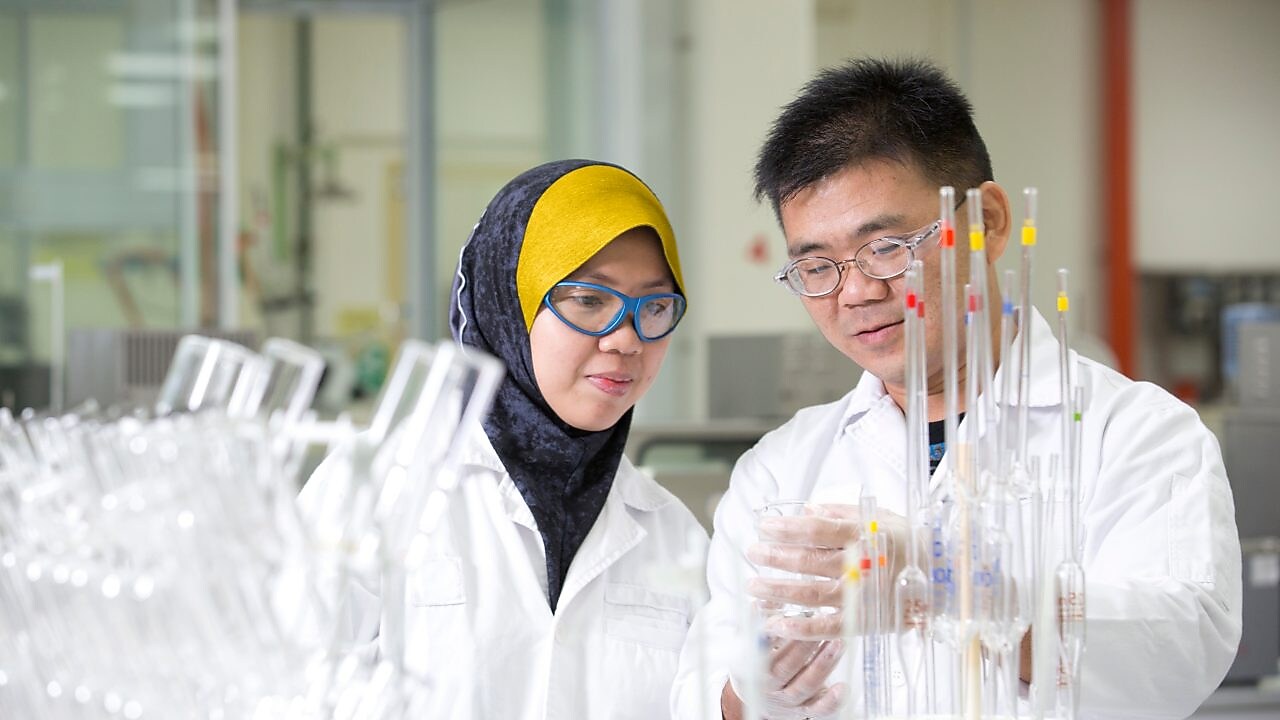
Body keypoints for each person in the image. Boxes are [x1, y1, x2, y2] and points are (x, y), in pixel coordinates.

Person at [671, 58, 1241, 720]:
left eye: (885, 246)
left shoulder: (1137, 435)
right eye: (816, 266)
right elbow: (704, 691)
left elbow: (1178, 651)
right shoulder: (780, 471)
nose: (855, 291)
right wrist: (750, 693)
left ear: (991, 222)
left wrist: (950, 585)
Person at [302, 159, 708, 718]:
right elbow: (277, 692)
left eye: (655, 306)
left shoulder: (671, 533)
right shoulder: (372, 492)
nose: (626, 339)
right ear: (507, 302)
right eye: (590, 300)